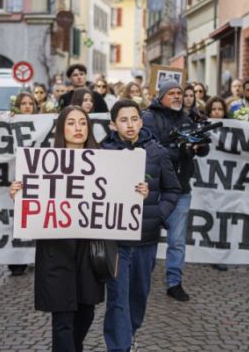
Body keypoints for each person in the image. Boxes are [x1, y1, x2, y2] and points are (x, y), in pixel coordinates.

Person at [9, 106, 106, 352]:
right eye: (72, 123)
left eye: (83, 123)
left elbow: (116, 198)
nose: (78, 128)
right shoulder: (44, 162)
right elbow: (34, 203)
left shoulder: (104, 161)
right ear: (62, 128)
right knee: (62, 317)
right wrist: (18, 196)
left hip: (89, 248)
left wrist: (137, 193)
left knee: (86, 312)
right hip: (56, 248)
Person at [102, 100, 180, 352]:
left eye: (134, 119)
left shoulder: (157, 152)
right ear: (113, 124)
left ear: (141, 120)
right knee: (117, 298)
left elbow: (172, 190)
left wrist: (157, 213)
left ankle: (131, 332)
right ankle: (119, 346)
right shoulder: (102, 153)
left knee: (138, 296)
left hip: (145, 239)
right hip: (115, 241)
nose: (130, 125)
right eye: (123, 120)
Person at [142, 78, 210, 302]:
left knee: (177, 240)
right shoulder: (149, 118)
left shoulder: (188, 118)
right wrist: (176, 146)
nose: (177, 97)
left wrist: (199, 146)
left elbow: (201, 150)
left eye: (179, 93)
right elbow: (149, 148)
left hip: (180, 187)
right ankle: (142, 278)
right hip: (154, 190)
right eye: (172, 93)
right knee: (147, 237)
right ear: (160, 96)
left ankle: (174, 282)